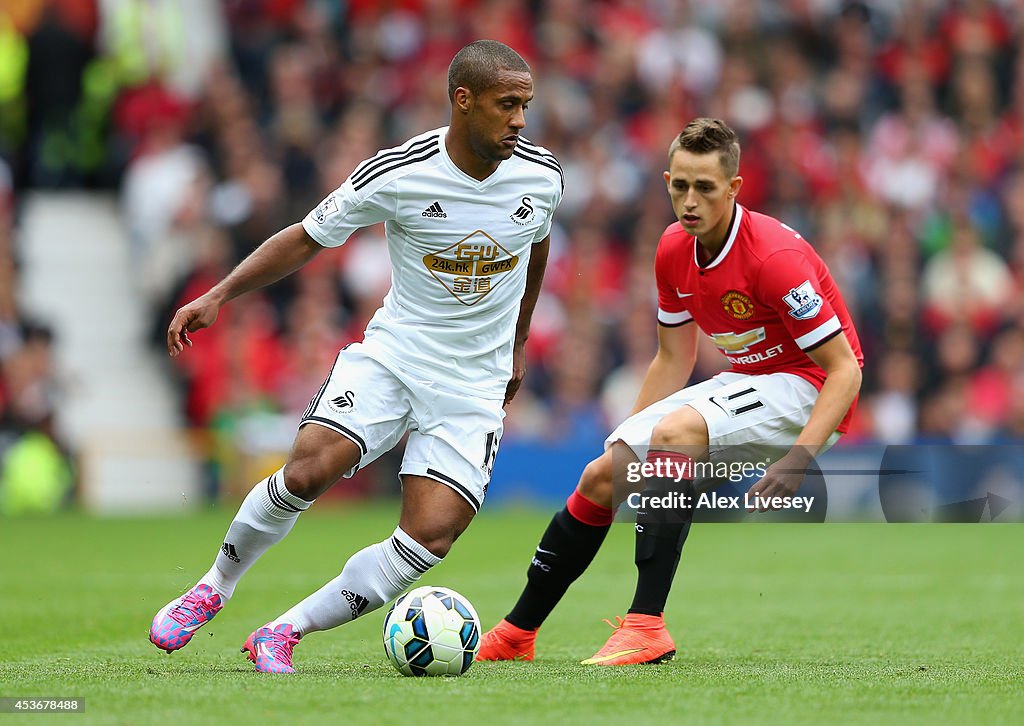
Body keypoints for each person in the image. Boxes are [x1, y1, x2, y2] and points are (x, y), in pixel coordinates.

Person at [149, 40, 563, 674]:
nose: (520, 122)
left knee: (431, 536)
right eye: (508, 106)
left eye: (525, 107)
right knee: (310, 468)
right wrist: (221, 293)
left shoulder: (543, 176)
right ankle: (213, 587)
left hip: (474, 385)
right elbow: (306, 238)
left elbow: (536, 252)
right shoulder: (400, 171)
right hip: (395, 357)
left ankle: (284, 631)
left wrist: (517, 346)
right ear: (464, 100)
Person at [477, 118, 863, 666]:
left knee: (676, 432)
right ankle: (517, 634)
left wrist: (799, 456)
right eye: (679, 185)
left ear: (733, 189)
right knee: (602, 474)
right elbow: (673, 357)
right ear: (665, 181)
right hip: (752, 379)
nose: (689, 200)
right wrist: (626, 444)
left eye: (705, 187)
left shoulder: (774, 261)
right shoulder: (673, 249)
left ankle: (645, 626)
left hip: (812, 388)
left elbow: (846, 370)